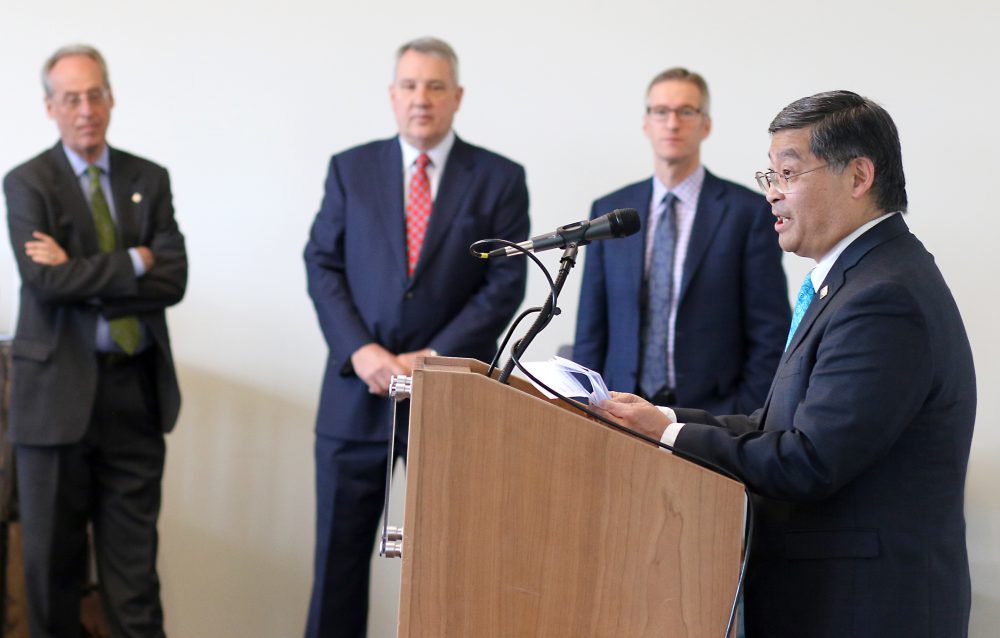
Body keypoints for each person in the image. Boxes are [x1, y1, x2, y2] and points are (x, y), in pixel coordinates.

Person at [597, 90, 976, 637]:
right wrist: (658, 418)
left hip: (861, 608)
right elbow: (777, 427)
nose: (771, 194)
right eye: (768, 176)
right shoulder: (861, 279)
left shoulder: (883, 296)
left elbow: (808, 461)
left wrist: (671, 434)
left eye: (788, 173)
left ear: (858, 176)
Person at [303, 37, 529, 637]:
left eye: (434, 86)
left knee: (452, 562)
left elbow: (506, 282)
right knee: (338, 563)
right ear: (392, 95)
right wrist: (362, 351)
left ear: (457, 96)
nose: (421, 99)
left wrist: (433, 359)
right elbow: (322, 265)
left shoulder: (501, 179)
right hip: (357, 397)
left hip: (449, 399)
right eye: (409, 85)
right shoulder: (349, 169)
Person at [3, 44, 187, 638]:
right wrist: (133, 260)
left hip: (134, 395)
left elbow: (173, 277)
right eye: (71, 98)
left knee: (134, 583)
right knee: (52, 578)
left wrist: (83, 268)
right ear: (50, 107)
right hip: (55, 402)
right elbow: (45, 282)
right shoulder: (28, 182)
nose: (86, 109)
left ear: (111, 98)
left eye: (95, 94)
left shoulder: (148, 178)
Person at [573, 68, 790, 415]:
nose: (672, 123)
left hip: (711, 416)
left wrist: (742, 412)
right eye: (661, 111)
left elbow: (770, 330)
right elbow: (591, 325)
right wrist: (586, 403)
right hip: (618, 407)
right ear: (646, 123)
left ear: (706, 124)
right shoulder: (610, 212)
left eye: (686, 111)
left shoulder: (745, 213)